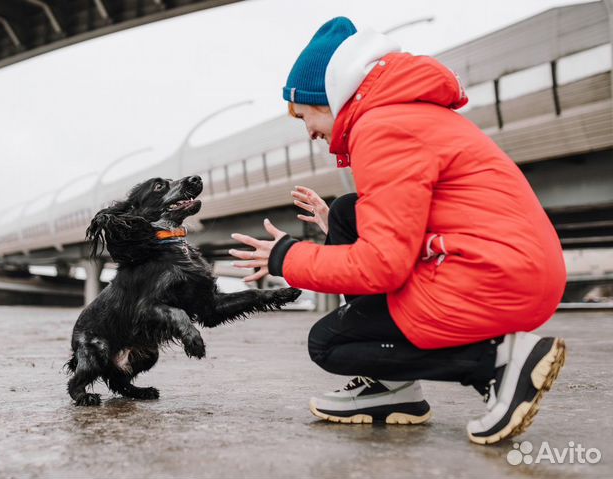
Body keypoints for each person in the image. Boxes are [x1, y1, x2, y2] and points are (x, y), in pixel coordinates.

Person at [229, 17, 567, 445]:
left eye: (305, 114)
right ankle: (393, 390)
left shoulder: (382, 128)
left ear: (330, 96)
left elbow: (382, 266)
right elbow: (407, 223)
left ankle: (498, 362)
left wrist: (286, 257)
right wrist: (335, 225)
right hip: (508, 267)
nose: (309, 131)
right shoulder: (402, 115)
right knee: (350, 212)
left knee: (330, 344)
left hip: (494, 276)